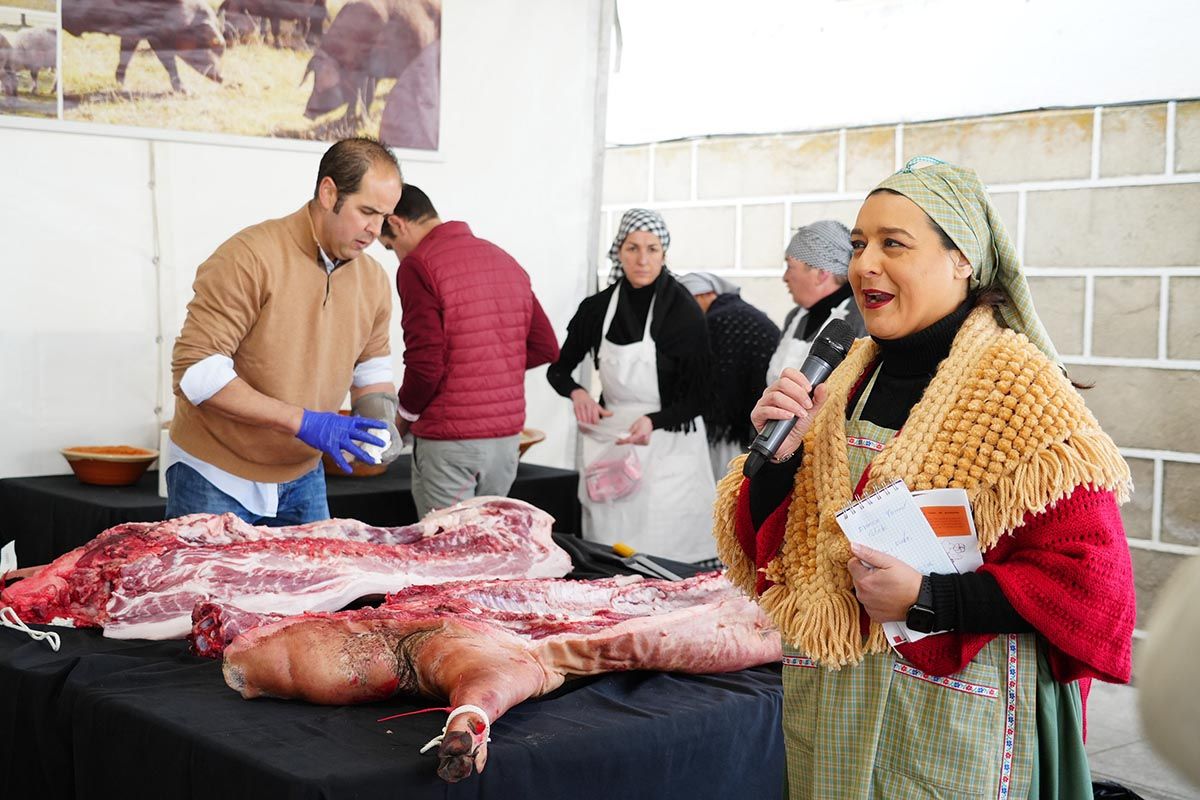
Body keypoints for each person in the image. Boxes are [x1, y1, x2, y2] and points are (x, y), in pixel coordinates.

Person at [712, 157, 1136, 799]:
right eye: (858, 245)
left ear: (962, 259)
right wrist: (778, 461)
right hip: (837, 702)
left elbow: (1093, 589)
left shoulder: (1020, 389)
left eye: (893, 244)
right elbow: (782, 542)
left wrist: (933, 599)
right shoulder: (845, 373)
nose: (864, 265)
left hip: (954, 716)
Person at [167, 137, 404, 525]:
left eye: (384, 217)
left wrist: (379, 420)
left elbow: (371, 370)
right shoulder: (249, 256)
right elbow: (196, 373)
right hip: (214, 475)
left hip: (303, 477)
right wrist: (305, 422)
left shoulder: (373, 279)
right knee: (215, 588)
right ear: (329, 193)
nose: (375, 230)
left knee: (318, 586)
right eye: (366, 211)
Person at [379, 184, 559, 517]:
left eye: (391, 246)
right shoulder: (503, 259)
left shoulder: (418, 265)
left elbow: (425, 364)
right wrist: (487, 368)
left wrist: (400, 425)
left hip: (451, 443)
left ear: (398, 222)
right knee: (488, 552)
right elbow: (545, 346)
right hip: (506, 442)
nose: (398, 255)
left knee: (448, 555)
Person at [547, 209, 716, 563]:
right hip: (614, 443)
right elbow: (559, 370)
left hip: (671, 442)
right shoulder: (596, 309)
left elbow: (702, 395)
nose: (642, 259)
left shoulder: (683, 312)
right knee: (610, 551)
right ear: (618, 252)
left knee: (666, 554)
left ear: (664, 254)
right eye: (633, 248)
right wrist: (578, 392)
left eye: (652, 249)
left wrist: (653, 420)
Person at [676, 271, 780, 480]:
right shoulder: (741, 310)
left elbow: (714, 380)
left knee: (727, 481)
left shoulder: (718, 319)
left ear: (701, 295)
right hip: (758, 417)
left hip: (733, 428)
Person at [766, 220, 867, 385]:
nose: (785, 277)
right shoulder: (795, 318)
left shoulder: (860, 320)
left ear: (821, 273)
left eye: (790, 267)